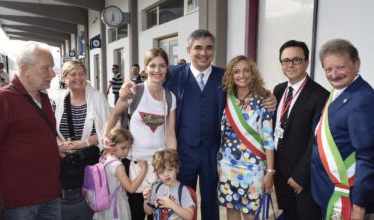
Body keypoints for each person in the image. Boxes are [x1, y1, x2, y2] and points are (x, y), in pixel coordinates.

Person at [120, 29, 277, 219]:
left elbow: (248, 85)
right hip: (184, 151)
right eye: (198, 48)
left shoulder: (225, 77)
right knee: (181, 197)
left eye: (209, 48)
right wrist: (127, 84)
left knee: (212, 199)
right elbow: (153, 75)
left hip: (214, 152)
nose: (204, 53)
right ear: (188, 50)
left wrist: (269, 97)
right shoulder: (173, 74)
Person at [0, 42, 61, 219]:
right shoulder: (0, 101)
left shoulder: (43, 98)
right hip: (19, 202)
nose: (52, 74)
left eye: (52, 68)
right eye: (46, 68)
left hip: (51, 195)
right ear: (25, 69)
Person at [104, 48, 177, 220]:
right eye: (152, 65)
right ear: (145, 68)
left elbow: (170, 132)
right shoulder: (133, 92)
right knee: (135, 212)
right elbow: (113, 116)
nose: (157, 70)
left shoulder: (170, 97)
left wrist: (172, 163)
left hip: (159, 164)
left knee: (155, 213)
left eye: (162, 66)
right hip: (134, 163)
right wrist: (106, 138)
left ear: (167, 69)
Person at [311, 39, 374, 220]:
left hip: (348, 198)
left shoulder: (363, 99)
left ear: (357, 64)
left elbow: (367, 156)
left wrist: (359, 207)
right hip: (327, 189)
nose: (334, 74)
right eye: (328, 69)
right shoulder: (340, 92)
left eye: (340, 67)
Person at [273, 40, 328, 220]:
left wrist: (300, 176)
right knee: (287, 214)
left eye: (296, 60)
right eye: (285, 60)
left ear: (307, 62)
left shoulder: (320, 96)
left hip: (303, 177)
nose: (290, 65)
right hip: (279, 172)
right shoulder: (279, 90)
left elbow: (317, 139)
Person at [217, 55, 275, 220]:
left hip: (253, 168)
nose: (241, 75)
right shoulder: (225, 99)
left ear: (253, 74)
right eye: (236, 72)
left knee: (251, 215)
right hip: (226, 167)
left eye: (246, 70)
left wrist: (269, 172)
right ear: (231, 75)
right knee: (231, 213)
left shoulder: (262, 101)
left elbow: (268, 140)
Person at [53, 60, 110, 220]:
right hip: (66, 162)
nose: (78, 78)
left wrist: (82, 143)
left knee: (91, 204)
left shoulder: (98, 98)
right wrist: (62, 145)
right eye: (73, 74)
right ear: (64, 78)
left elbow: (107, 130)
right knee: (69, 204)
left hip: (91, 161)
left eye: (82, 74)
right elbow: (50, 128)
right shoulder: (57, 100)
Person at [94, 127, 148, 220]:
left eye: (128, 148)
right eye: (123, 148)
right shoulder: (117, 165)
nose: (126, 151)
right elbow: (131, 189)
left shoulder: (103, 157)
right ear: (112, 144)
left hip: (104, 204)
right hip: (117, 206)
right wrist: (144, 169)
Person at [143, 149, 195, 220]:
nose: (166, 174)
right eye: (161, 172)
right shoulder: (156, 187)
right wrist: (147, 200)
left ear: (176, 168)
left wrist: (172, 205)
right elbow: (148, 212)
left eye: (170, 169)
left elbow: (189, 216)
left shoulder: (183, 191)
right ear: (157, 174)